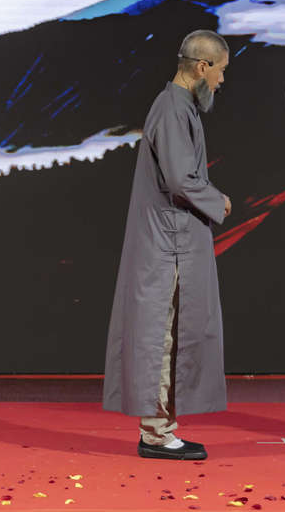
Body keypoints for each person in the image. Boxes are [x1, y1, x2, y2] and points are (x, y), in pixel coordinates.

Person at [103, 30, 233, 460]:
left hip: (171, 237)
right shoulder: (174, 109)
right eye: (220, 72)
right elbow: (180, 179)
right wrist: (217, 200)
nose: (221, 81)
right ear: (202, 67)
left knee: (169, 333)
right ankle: (157, 434)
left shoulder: (176, 106)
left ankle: (161, 429)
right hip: (168, 241)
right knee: (160, 334)